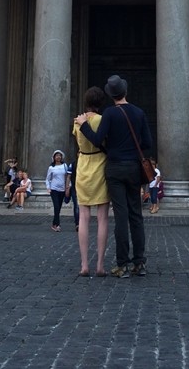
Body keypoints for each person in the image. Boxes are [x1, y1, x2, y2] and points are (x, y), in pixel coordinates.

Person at [75, 74, 152, 278]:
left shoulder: (110, 114)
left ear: (112, 96)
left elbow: (98, 139)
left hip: (115, 169)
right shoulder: (138, 112)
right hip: (134, 168)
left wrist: (83, 125)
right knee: (136, 215)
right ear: (125, 92)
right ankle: (140, 263)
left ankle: (122, 264)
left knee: (121, 216)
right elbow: (147, 144)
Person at [72, 86, 110, 277]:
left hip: (83, 165)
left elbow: (77, 142)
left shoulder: (78, 122)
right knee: (102, 218)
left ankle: (84, 265)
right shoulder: (102, 120)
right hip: (100, 165)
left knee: (83, 218)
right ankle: (100, 265)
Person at [45, 150, 70, 232]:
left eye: (59, 155)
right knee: (56, 206)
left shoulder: (65, 166)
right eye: (57, 156)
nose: (58, 157)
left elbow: (67, 177)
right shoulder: (51, 167)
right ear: (54, 157)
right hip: (54, 189)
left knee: (58, 207)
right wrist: (48, 187)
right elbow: (48, 179)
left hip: (62, 189)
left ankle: (53, 223)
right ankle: (57, 225)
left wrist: (67, 187)